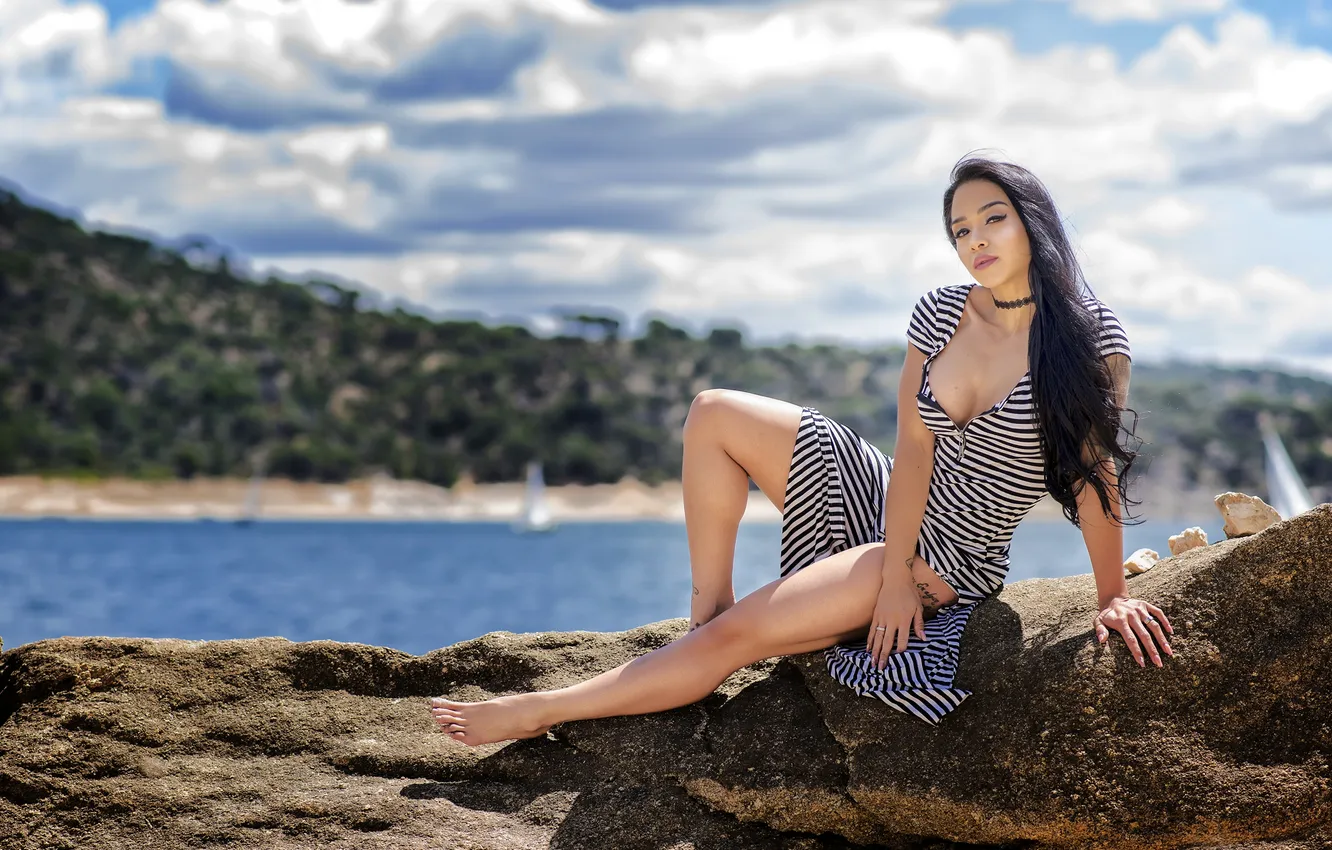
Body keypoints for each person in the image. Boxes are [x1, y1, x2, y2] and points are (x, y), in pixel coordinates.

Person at [428, 154, 1175, 745]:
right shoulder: (941, 312)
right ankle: (707, 608)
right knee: (713, 413)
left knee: (740, 641)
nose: (974, 240)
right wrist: (888, 567)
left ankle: (543, 710)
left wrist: (1111, 595)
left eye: (993, 220)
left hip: (947, 555)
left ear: (1033, 222)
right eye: (959, 230)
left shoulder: (1091, 337)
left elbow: (1093, 475)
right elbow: (914, 451)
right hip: (888, 493)